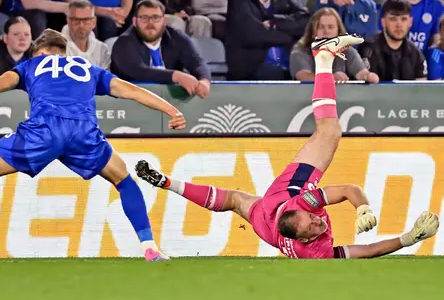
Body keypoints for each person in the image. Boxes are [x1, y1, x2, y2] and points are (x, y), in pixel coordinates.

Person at [0, 29, 186, 261]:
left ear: (38, 51)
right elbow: (130, 90)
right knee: (123, 180)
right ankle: (149, 248)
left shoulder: (31, 65)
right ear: (63, 52)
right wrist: (171, 110)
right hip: (83, 132)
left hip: (44, 130)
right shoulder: (87, 69)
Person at [136, 33, 440, 259]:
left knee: (329, 132)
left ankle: (323, 57)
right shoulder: (312, 252)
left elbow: (348, 189)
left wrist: (362, 208)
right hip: (267, 225)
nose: (320, 220)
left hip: (281, 197)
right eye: (313, 226)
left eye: (313, 218)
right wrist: (407, 238)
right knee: (234, 201)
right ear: (304, 239)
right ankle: (323, 58)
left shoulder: (304, 203)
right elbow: (363, 251)